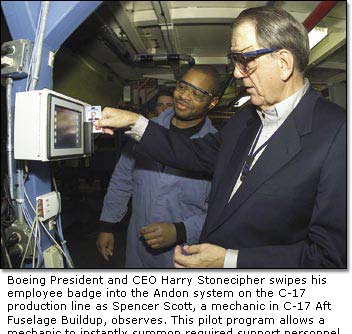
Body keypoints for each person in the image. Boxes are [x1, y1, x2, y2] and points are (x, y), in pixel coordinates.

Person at [95, 7, 346, 269]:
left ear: (283, 63)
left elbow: (329, 258)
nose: (237, 73)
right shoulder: (247, 116)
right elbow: (196, 154)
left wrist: (228, 260)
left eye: (245, 60)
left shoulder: (337, 133)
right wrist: (135, 123)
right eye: (234, 61)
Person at [96, 65, 219, 268]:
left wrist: (181, 230)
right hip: (137, 249)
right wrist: (107, 226)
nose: (184, 96)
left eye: (197, 93)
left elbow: (222, 210)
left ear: (212, 102)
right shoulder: (142, 133)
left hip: (183, 255)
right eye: (182, 87)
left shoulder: (216, 149)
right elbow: (122, 180)